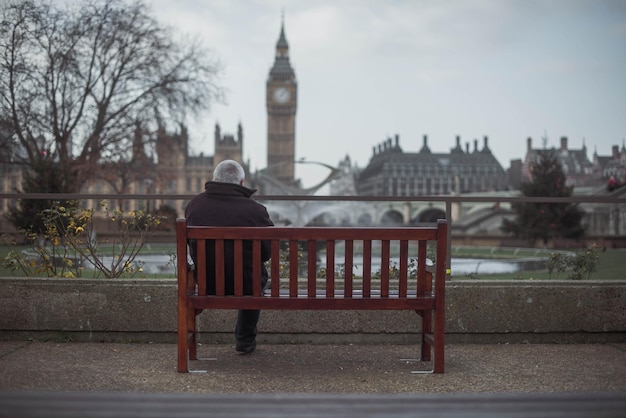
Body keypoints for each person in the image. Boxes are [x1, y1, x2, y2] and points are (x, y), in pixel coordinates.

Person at [185, 159, 273, 354]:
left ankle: (188, 350)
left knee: (253, 277)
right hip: (248, 285)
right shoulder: (256, 211)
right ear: (241, 182)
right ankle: (245, 339)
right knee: (256, 279)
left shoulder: (194, 206)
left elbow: (188, 249)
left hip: (207, 284)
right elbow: (267, 253)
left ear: (214, 179)